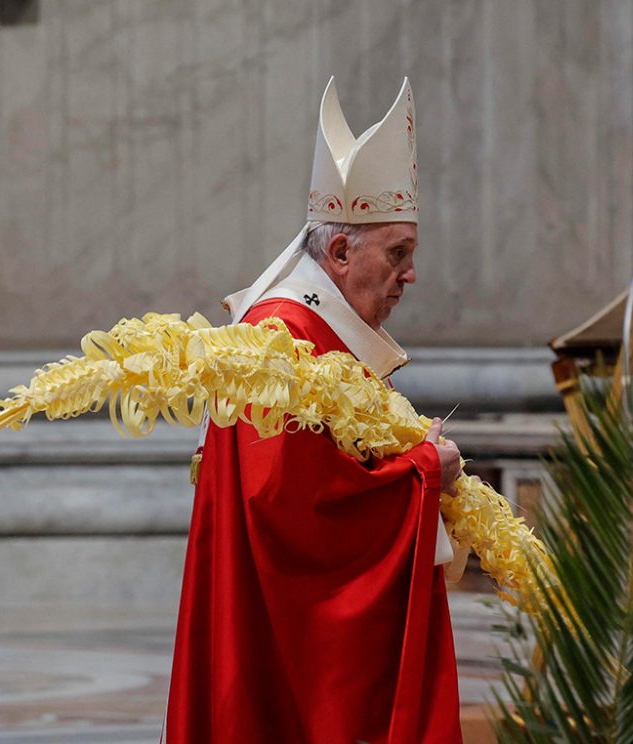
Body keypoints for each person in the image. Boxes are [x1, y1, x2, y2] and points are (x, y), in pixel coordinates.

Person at [164, 78, 465, 743]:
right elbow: (287, 507)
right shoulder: (280, 338)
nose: (410, 275)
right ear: (338, 252)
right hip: (279, 647)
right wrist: (423, 469)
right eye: (398, 253)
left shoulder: (321, 331)